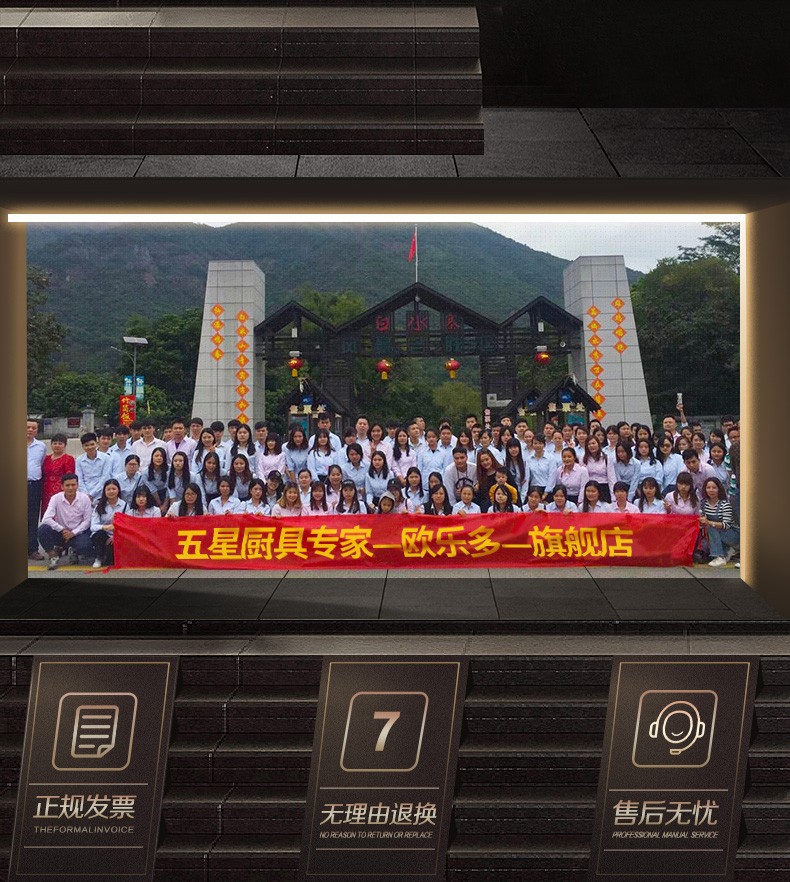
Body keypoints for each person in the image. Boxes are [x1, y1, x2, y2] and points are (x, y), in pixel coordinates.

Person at [37, 473, 93, 569]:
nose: (71, 488)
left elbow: (87, 521)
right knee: (43, 529)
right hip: (61, 533)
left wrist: (73, 533)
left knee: (86, 545)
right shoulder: (55, 498)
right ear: (62, 486)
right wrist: (62, 529)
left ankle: (74, 550)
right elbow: (46, 518)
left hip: (77, 533)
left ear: (77, 485)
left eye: (73, 485)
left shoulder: (85, 498)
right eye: (67, 485)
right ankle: (53, 556)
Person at [700, 477, 739, 567]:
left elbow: (726, 525)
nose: (711, 490)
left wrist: (709, 522)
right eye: (708, 487)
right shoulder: (703, 504)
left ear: (719, 489)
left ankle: (720, 556)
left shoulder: (725, 505)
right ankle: (726, 551)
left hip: (731, 534)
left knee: (711, 527)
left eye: (714, 488)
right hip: (716, 535)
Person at [90, 478, 127, 567]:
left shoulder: (125, 505)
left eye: (114, 489)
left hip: (117, 535)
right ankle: (99, 557)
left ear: (118, 490)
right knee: (99, 534)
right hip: (102, 534)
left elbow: (126, 525)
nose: (111, 491)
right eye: (108, 489)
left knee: (111, 561)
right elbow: (93, 526)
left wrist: (115, 536)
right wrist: (105, 527)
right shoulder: (99, 505)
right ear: (104, 491)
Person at [41, 432, 76, 518]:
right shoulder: (46, 458)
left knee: (60, 515)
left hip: (60, 491)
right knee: (48, 514)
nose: (57, 445)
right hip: (45, 490)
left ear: (65, 445)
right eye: (55, 443)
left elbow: (69, 477)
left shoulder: (68, 459)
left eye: (60, 443)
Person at [75, 431, 114, 503]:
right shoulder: (79, 460)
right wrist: (86, 495)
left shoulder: (106, 458)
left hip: (101, 494)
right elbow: (79, 479)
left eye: (92, 444)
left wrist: (92, 494)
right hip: (84, 495)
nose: (90, 447)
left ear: (96, 443)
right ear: (83, 446)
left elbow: (105, 477)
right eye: (86, 445)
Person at [144, 446, 170, 515]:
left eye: (161, 456)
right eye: (156, 456)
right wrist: (159, 505)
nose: (159, 458)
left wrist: (165, 505)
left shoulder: (169, 469)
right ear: (152, 458)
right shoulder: (145, 472)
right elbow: (152, 489)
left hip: (167, 496)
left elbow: (169, 488)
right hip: (153, 496)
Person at [505, 438, 529, 504]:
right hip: (507, 496)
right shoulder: (504, 462)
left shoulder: (524, 463)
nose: (513, 450)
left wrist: (521, 500)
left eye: (515, 447)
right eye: (511, 448)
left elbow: (525, 483)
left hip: (520, 495)